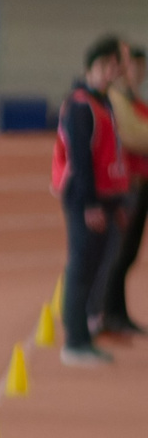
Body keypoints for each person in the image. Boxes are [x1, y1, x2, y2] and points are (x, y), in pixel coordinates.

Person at [55, 35, 132, 366]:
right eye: (107, 65)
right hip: (87, 197)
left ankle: (84, 334)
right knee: (82, 266)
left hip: (108, 196)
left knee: (96, 264)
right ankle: (74, 340)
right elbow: (81, 159)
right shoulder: (80, 105)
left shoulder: (105, 101)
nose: (112, 71)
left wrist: (119, 199)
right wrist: (90, 205)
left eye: (115, 65)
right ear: (93, 67)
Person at [98, 45, 148, 340]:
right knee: (119, 252)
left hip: (141, 183)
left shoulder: (134, 101)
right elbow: (134, 136)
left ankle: (119, 312)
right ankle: (108, 312)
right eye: (133, 67)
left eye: (142, 69)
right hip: (127, 184)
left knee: (128, 253)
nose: (138, 74)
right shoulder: (116, 100)